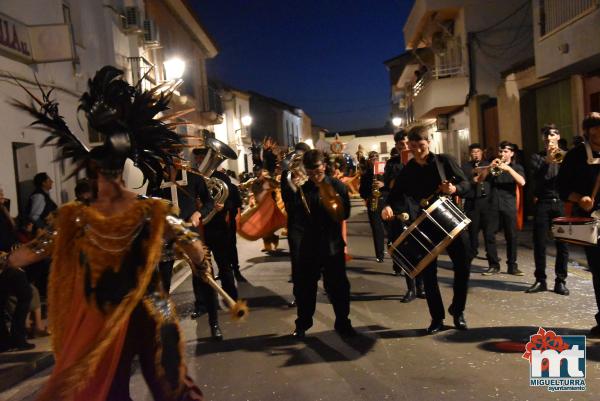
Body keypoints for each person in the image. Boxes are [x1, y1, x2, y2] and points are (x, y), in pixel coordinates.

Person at [4, 66, 206, 400]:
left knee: (109, 390)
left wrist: (8, 260)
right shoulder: (153, 210)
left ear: (93, 174)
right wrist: (201, 264)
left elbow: (32, 252)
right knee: (173, 386)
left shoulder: (75, 218)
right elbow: (193, 245)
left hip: (107, 317)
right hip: (154, 311)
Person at [381, 125, 471, 334]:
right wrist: (387, 206)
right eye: (413, 147)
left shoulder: (444, 161)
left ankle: (458, 311)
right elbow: (394, 195)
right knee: (428, 273)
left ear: (428, 142)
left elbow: (467, 184)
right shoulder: (408, 170)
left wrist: (455, 188)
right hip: (426, 223)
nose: (417, 150)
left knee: (463, 265)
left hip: (450, 218)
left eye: (420, 146)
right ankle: (437, 317)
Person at [291, 149, 355, 338]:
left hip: (332, 245)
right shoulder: (303, 189)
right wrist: (295, 191)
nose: (314, 175)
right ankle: (303, 323)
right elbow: (296, 217)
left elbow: (346, 214)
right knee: (305, 288)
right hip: (309, 245)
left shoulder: (338, 186)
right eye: (310, 173)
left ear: (324, 166)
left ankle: (343, 322)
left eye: (317, 171)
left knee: (338, 287)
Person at [557, 112, 600, 337]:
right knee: (599, 270)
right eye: (595, 132)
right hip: (591, 221)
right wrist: (579, 198)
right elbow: (562, 187)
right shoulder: (575, 156)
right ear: (588, 132)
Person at [526, 125, 569, 295]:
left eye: (552, 134)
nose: (549, 137)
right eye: (546, 135)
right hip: (542, 202)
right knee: (540, 243)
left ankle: (560, 281)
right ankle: (540, 280)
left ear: (558, 136)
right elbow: (537, 177)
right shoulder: (537, 157)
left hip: (559, 202)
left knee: (562, 243)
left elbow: (569, 177)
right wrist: (548, 161)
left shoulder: (566, 156)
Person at [383, 130, 425, 302]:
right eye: (402, 145)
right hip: (401, 210)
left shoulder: (422, 161)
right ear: (397, 146)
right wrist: (386, 205)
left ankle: (422, 286)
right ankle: (411, 288)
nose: (405, 148)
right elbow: (387, 186)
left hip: (418, 208)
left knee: (421, 249)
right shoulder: (392, 164)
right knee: (404, 249)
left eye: (408, 144)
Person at [480, 141, 526, 276]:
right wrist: (489, 168)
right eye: (501, 151)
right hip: (493, 204)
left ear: (511, 153)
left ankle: (512, 266)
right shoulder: (494, 166)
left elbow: (522, 182)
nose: (502, 154)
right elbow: (480, 179)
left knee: (511, 236)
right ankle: (493, 265)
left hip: (509, 204)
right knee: (489, 234)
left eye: (506, 151)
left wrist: (509, 169)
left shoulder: (517, 167)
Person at [281, 142, 311, 307]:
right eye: (296, 156)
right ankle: (299, 295)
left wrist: (305, 183)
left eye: (301, 157)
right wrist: (293, 185)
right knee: (297, 261)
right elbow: (286, 200)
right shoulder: (287, 175)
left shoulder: (313, 173)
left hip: (313, 223)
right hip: (296, 224)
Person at [461, 143, 493, 261]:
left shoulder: (487, 165)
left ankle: (491, 255)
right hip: (472, 201)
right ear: (470, 153)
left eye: (478, 152)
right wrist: (472, 180)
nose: (476, 154)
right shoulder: (465, 166)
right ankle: (472, 252)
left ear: (481, 153)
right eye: (473, 152)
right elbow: (462, 182)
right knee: (472, 230)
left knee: (488, 232)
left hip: (485, 201)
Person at [359, 151, 386, 262]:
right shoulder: (366, 174)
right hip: (373, 202)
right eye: (372, 157)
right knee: (376, 229)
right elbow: (361, 191)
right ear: (369, 160)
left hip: (385, 202)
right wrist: (368, 193)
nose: (374, 159)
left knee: (391, 229)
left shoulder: (384, 171)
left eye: (376, 157)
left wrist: (383, 185)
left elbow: (392, 185)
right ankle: (379, 254)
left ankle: (395, 256)